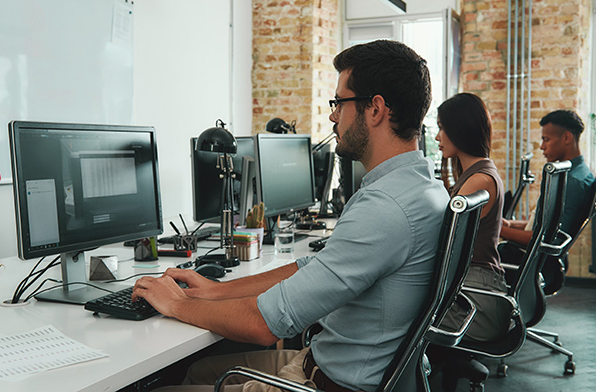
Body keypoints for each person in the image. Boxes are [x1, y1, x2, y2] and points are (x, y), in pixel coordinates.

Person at [132, 39, 449, 392]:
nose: (332, 115)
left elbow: (263, 325)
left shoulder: (385, 207)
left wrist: (176, 303)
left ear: (375, 109)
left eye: (339, 103)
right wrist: (215, 291)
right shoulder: (423, 189)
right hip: (330, 366)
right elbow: (313, 269)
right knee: (198, 371)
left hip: (329, 384)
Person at [433, 93, 509, 342]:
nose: (436, 137)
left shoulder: (479, 180)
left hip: (478, 303)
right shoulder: (479, 172)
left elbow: (444, 241)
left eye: (441, 128)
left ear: (459, 129)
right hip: (473, 290)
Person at [499, 110, 595, 246]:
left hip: (534, 260)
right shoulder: (579, 173)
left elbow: (546, 240)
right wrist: (508, 224)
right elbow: (545, 226)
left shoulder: (572, 182)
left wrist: (498, 230)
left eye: (546, 139)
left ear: (567, 138)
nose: (542, 146)